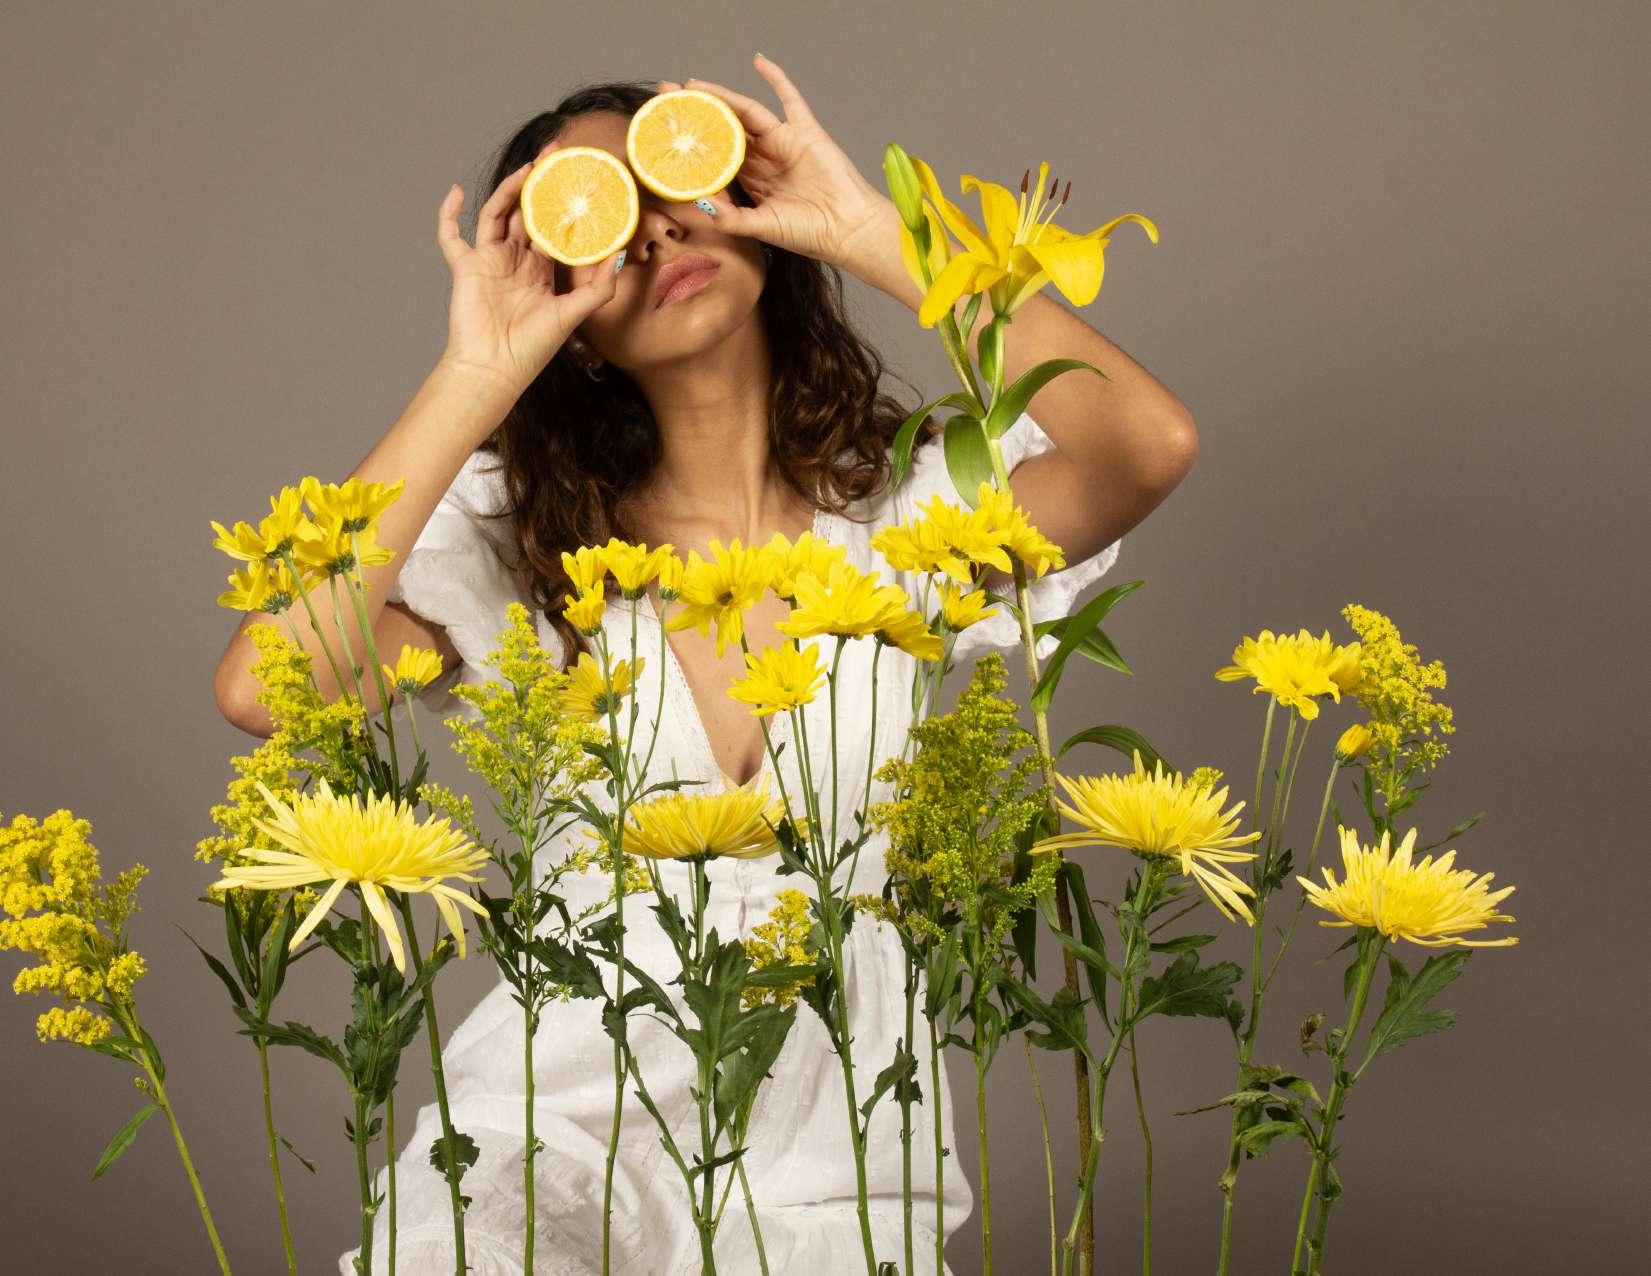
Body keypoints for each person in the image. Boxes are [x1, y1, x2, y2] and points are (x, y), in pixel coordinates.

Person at [213, 56, 1197, 1276]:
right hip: (551, 1119)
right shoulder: (521, 549)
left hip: (840, 1139)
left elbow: (1146, 444)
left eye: (668, 177)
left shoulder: (915, 510)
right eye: (599, 216)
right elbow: (264, 683)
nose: (653, 231)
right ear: (569, 320)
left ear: (747, 203)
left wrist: (875, 235)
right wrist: (477, 372)